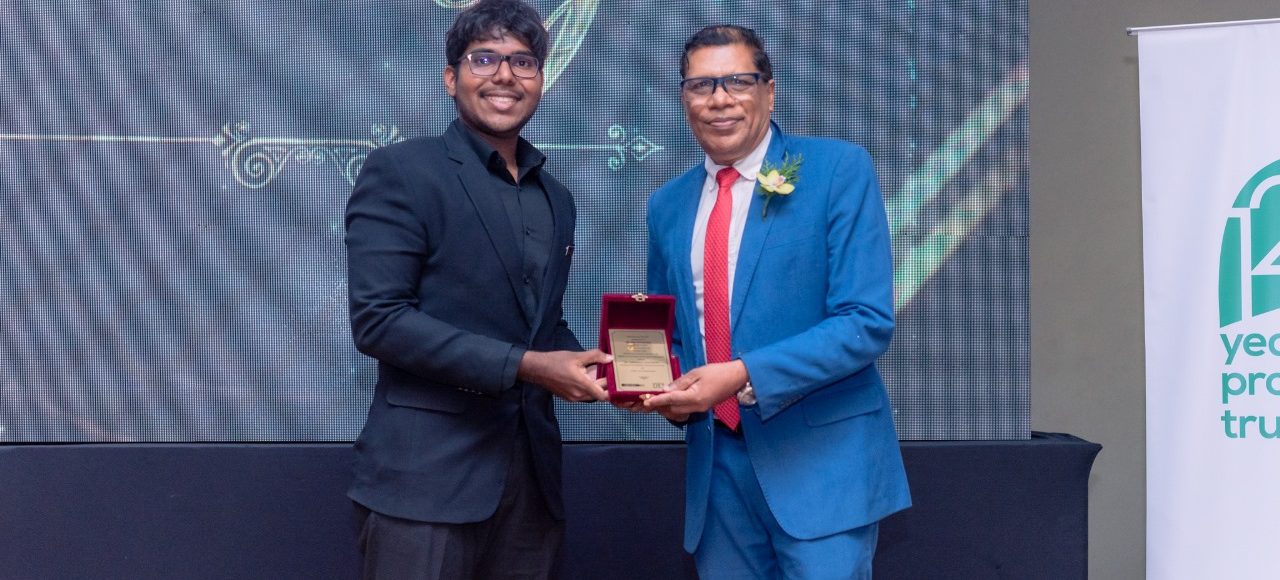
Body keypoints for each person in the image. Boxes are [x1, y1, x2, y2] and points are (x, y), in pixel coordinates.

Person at [343, 1, 610, 577]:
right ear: (451, 78)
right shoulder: (403, 171)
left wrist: (610, 372)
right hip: (425, 485)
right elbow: (380, 321)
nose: (505, 75)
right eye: (484, 59)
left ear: (542, 79)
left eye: (523, 61)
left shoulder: (556, 197)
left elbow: (541, 324)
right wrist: (530, 366)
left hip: (531, 487)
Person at [638, 24, 911, 579]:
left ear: (770, 90)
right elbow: (669, 334)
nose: (719, 99)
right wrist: (657, 386)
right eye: (701, 85)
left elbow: (865, 321)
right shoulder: (667, 205)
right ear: (684, 99)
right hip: (717, 475)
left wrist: (741, 375)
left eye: (738, 81)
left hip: (822, 469)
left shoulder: (837, 170)